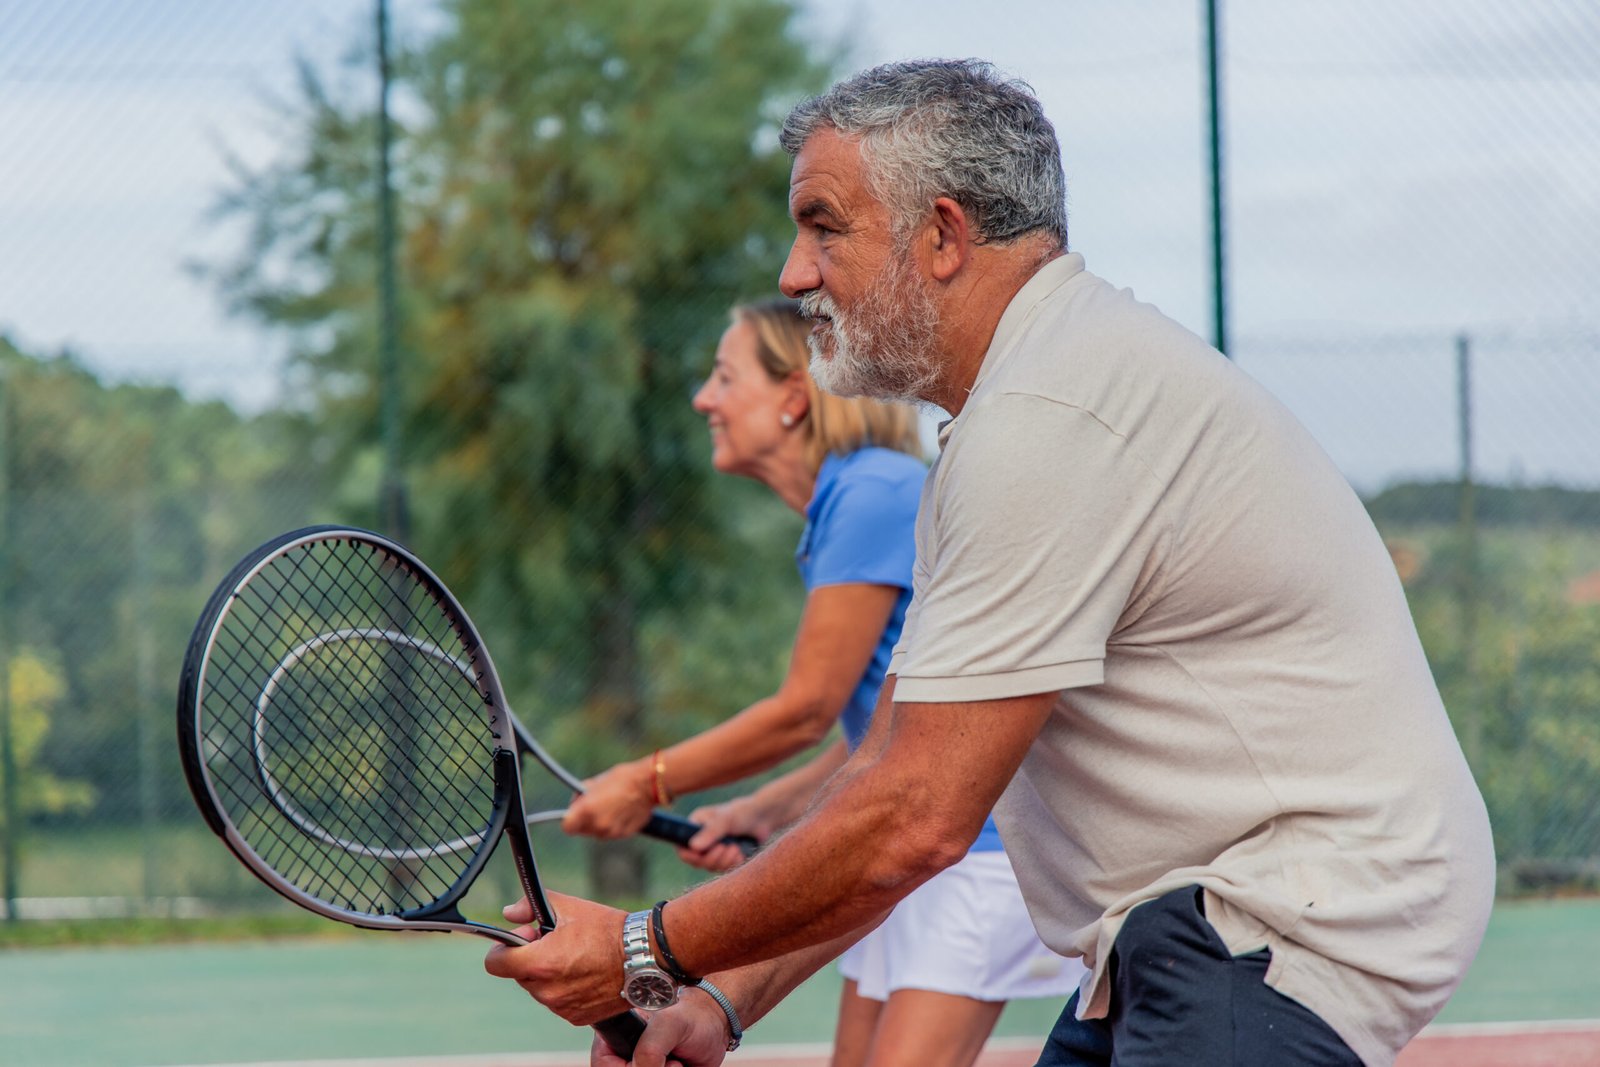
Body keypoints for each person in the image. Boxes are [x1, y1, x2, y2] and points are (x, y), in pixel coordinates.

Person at [485, 59, 1496, 1067]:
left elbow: (916, 817)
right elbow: (884, 765)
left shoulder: (1047, 418)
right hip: (1186, 925)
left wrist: (638, 949)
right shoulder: (1009, 416)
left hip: (1279, 915)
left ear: (941, 234)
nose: (794, 274)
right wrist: (715, 996)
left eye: (824, 225)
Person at [561, 297, 1082, 1067]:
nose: (705, 397)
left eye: (724, 375)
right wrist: (762, 808)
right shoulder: (849, 501)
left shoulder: (872, 492)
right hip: (920, 847)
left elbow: (805, 709)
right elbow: (885, 727)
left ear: (792, 399)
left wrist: (647, 780)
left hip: (977, 853)